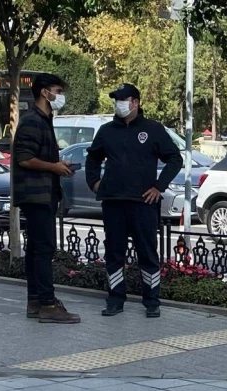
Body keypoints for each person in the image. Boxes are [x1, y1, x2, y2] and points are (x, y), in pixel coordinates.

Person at [85, 83, 183, 318]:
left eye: (123, 99)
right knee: (114, 252)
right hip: (113, 202)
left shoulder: (153, 129)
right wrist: (94, 182)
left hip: (143, 203)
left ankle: (152, 301)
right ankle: (115, 299)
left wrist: (159, 187)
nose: (119, 104)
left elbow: (174, 159)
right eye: (116, 100)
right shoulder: (107, 131)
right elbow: (93, 158)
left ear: (136, 102)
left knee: (147, 253)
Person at [12, 73, 81, 324]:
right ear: (44, 92)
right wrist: (54, 167)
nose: (60, 96)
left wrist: (57, 164)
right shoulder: (32, 120)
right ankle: (48, 304)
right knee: (44, 249)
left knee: (36, 249)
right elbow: (24, 158)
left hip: (41, 193)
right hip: (36, 195)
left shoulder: (43, 119)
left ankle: (35, 301)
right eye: (57, 91)